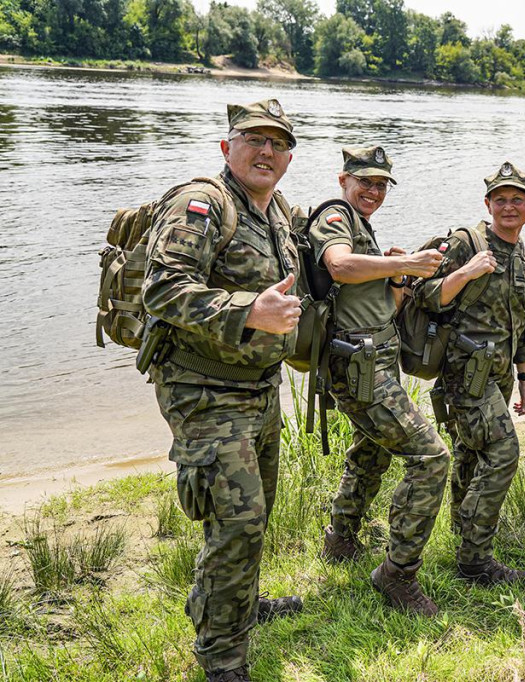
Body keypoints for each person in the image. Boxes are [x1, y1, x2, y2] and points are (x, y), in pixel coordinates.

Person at [143, 99, 304, 682]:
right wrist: (247, 309)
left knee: (253, 514)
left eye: (279, 143)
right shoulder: (203, 204)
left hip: (259, 387)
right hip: (204, 390)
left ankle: (240, 604)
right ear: (226, 147)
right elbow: (161, 290)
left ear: (288, 155)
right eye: (254, 140)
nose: (267, 151)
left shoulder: (275, 211)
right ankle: (221, 658)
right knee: (236, 521)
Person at [311, 145, 450, 617]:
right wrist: (403, 264)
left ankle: (340, 539)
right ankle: (398, 573)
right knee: (430, 456)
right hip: (356, 364)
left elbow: (377, 309)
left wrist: (396, 281)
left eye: (380, 184)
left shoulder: (361, 225)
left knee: (371, 450)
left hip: (374, 359)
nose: (372, 191)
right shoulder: (335, 215)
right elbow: (339, 266)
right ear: (343, 179)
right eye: (364, 182)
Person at [413, 161, 525, 585]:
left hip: (501, 377)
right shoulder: (466, 243)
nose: (509, 207)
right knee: (503, 453)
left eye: (516, 200)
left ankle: (462, 535)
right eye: (500, 199)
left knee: (471, 456)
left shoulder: (523, 257)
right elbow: (426, 296)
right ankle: (475, 562)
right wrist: (466, 273)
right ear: (487, 204)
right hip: (465, 376)